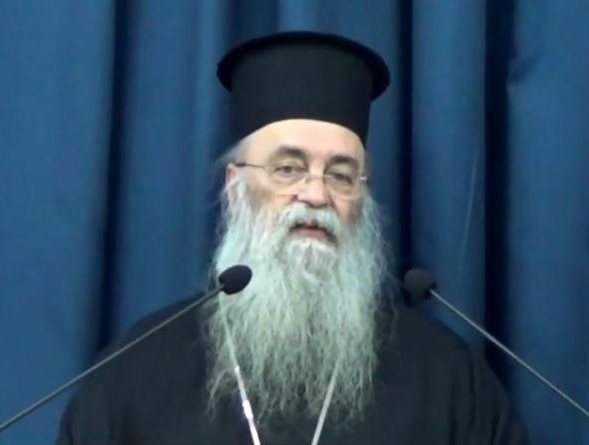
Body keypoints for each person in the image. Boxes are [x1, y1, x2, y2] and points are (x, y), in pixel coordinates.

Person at [57, 31, 528, 445]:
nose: (316, 195)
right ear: (235, 187)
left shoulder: (447, 377)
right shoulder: (140, 365)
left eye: (341, 175)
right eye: (288, 168)